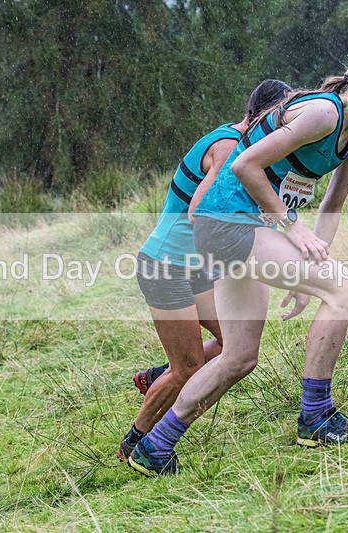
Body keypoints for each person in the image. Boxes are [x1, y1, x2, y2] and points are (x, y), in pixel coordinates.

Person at [128, 44, 348, 476]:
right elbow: (245, 165)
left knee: (239, 357)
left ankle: (154, 448)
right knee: (345, 289)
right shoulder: (322, 112)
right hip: (224, 221)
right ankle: (316, 416)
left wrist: (309, 269)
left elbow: (332, 205)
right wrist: (291, 230)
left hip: (240, 229)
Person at [118, 80, 293, 462]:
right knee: (190, 367)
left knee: (235, 346)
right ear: (267, 118)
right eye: (285, 123)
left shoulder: (243, 144)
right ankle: (135, 444)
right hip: (165, 266)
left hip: (196, 268)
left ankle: (157, 376)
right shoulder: (230, 147)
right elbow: (200, 212)